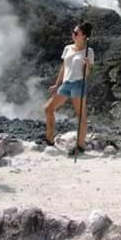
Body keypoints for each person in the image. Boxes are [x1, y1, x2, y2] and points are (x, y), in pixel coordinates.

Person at [44, 22, 94, 156]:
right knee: (48, 108)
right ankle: (49, 139)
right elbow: (64, 67)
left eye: (76, 33)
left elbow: (87, 73)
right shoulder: (68, 48)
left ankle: (80, 146)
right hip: (66, 83)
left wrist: (87, 65)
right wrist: (57, 84)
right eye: (73, 32)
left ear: (84, 36)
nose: (73, 34)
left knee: (81, 115)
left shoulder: (89, 51)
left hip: (78, 83)